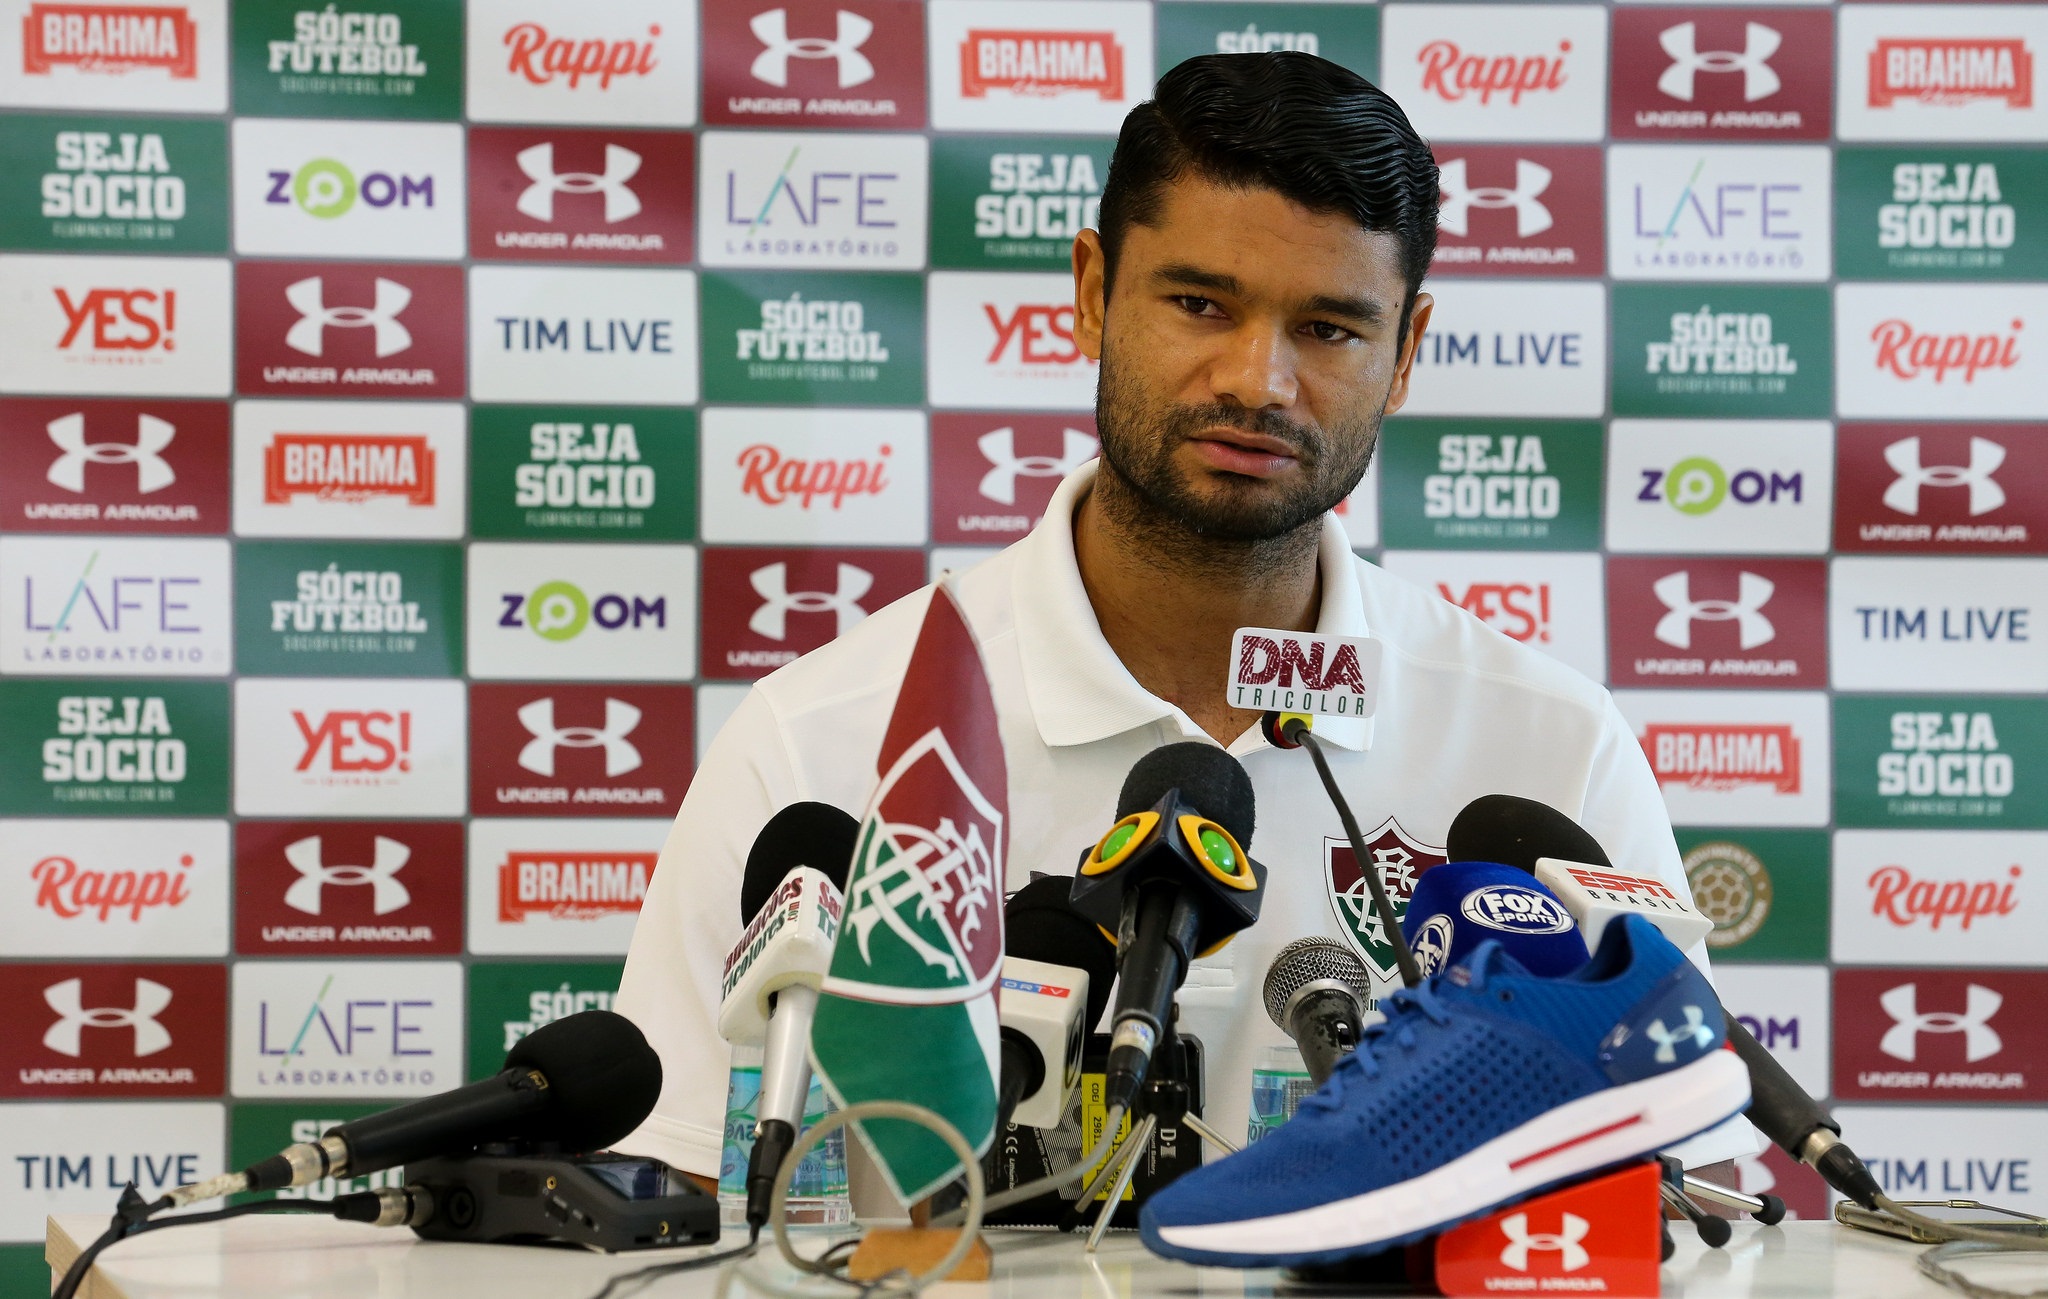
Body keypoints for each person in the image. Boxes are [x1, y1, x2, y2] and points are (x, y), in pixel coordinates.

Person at [614, 51, 1754, 1191]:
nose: (1258, 381)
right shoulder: (821, 734)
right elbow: (684, 1198)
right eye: (1200, 303)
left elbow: (1692, 1200)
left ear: (1404, 354)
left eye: (1329, 329)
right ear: (1091, 292)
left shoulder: (1546, 749)